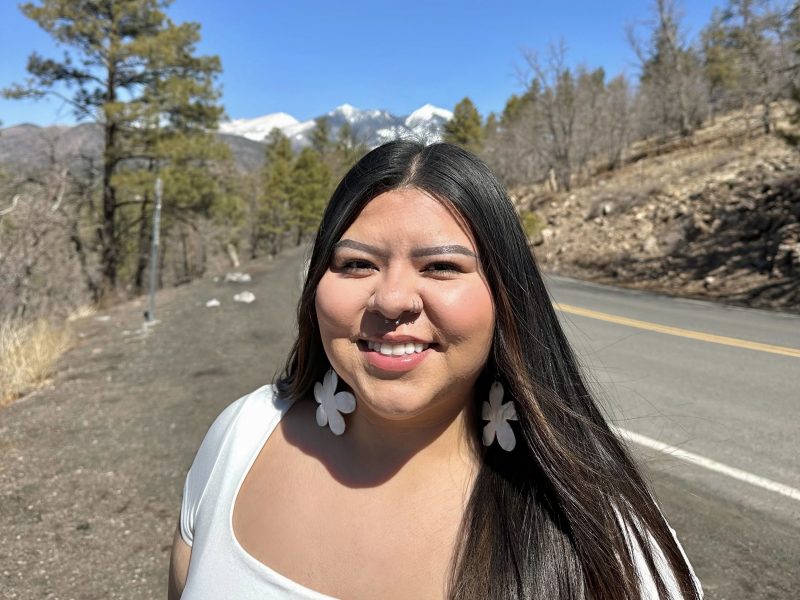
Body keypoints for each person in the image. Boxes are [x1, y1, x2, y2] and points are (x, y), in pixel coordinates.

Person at [168, 141, 703, 599]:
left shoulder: (602, 535)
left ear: (507, 298)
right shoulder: (240, 439)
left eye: (442, 267)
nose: (393, 298)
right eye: (356, 263)